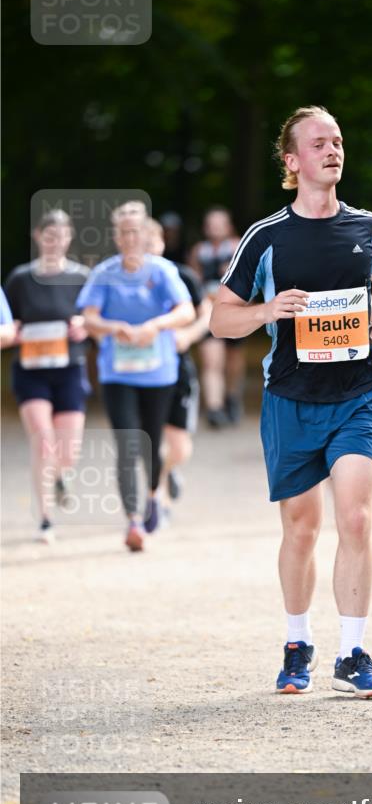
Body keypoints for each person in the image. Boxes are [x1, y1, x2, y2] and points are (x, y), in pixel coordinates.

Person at [211, 105, 372, 698]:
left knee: (355, 516)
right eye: (319, 143)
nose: (333, 150)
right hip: (291, 399)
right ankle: (297, 642)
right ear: (292, 161)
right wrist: (266, 311)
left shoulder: (366, 227)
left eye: (338, 141)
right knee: (302, 528)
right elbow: (220, 319)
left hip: (359, 395)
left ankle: (352, 652)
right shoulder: (267, 237)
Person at [77, 201, 195, 552]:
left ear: (145, 234)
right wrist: (114, 327)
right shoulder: (104, 273)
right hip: (117, 373)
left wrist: (153, 326)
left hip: (159, 372)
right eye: (123, 232)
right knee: (128, 445)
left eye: (135, 232)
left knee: (151, 442)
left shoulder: (161, 271)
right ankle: (133, 520)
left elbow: (186, 310)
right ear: (116, 236)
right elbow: (89, 317)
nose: (130, 238)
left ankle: (153, 496)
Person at [4, 210, 90, 544]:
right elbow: (7, 322)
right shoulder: (20, 279)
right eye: (48, 235)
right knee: (42, 441)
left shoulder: (82, 277)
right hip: (30, 372)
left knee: (68, 452)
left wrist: (84, 326)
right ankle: (45, 519)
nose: (54, 242)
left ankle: (61, 475)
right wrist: (15, 332)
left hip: (69, 370)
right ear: (38, 237)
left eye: (61, 235)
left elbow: (96, 320)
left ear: (69, 238)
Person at [144, 218, 211, 510]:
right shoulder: (120, 280)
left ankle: (169, 470)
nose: (145, 250)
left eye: (151, 243)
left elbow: (206, 313)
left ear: (161, 243)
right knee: (147, 439)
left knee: (179, 447)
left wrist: (187, 335)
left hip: (176, 369)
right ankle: (154, 499)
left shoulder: (181, 275)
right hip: (139, 372)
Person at [189, 207, 245, 427]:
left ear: (228, 226)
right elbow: (195, 280)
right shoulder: (198, 251)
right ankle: (214, 408)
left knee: (232, 361)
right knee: (212, 361)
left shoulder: (237, 246)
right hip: (209, 312)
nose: (215, 228)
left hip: (235, 310)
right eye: (211, 223)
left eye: (219, 223)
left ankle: (231, 397)